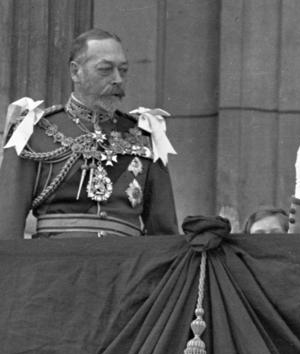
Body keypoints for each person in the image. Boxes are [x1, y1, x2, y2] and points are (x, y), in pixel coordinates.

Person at [0, 28, 178, 238]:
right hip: (54, 265)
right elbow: (6, 228)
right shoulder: (32, 132)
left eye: (123, 70)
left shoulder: (146, 135)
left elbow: (164, 233)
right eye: (105, 69)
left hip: (126, 267)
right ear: (75, 72)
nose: (118, 79)